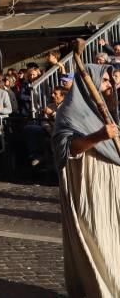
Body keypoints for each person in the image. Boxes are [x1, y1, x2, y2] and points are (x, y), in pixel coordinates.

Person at [53, 64, 120, 297]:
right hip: (88, 182)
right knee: (97, 236)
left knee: (114, 236)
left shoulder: (106, 110)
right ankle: (100, 287)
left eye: (110, 81)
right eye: (104, 81)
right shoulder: (69, 112)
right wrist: (98, 135)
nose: (109, 85)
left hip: (111, 184)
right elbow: (68, 148)